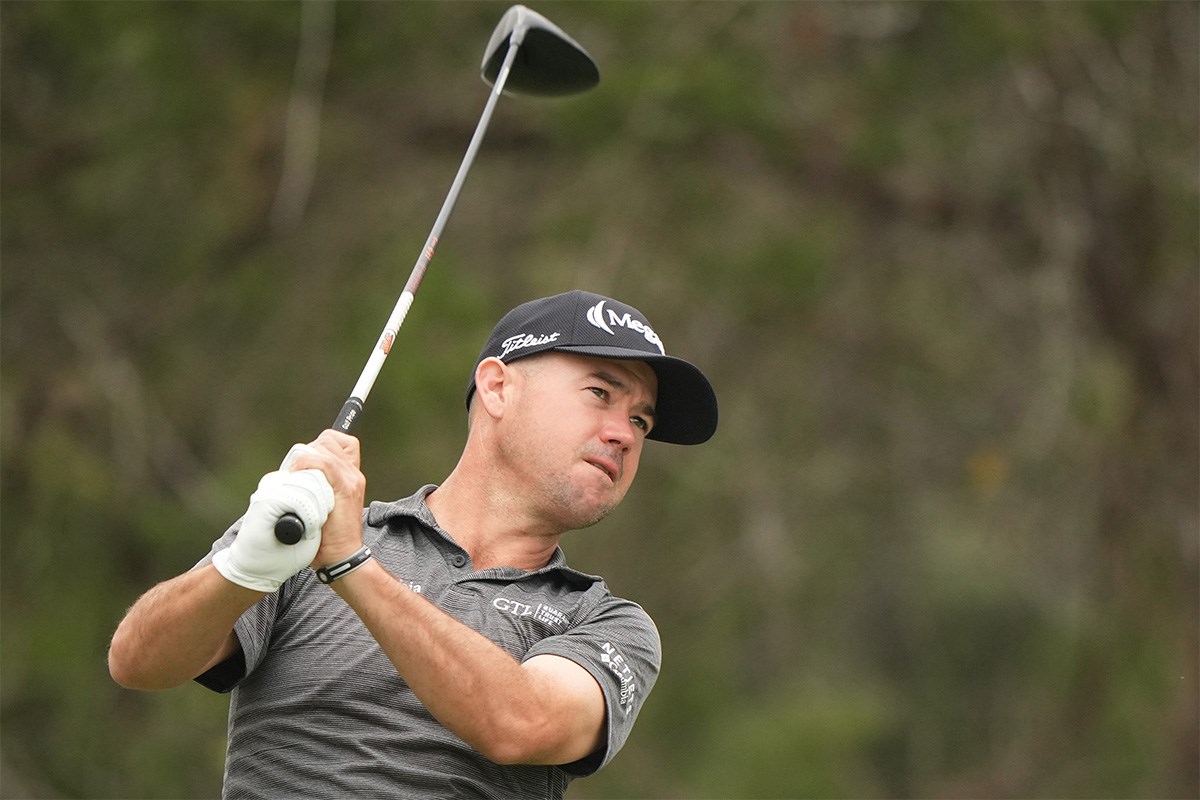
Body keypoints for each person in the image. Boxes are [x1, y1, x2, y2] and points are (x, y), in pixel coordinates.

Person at [108, 289, 718, 798]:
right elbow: (137, 663)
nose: (623, 434)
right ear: (497, 388)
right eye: (601, 394)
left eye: (640, 420)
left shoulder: (608, 624)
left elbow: (520, 723)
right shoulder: (310, 529)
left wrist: (352, 566)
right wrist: (243, 568)